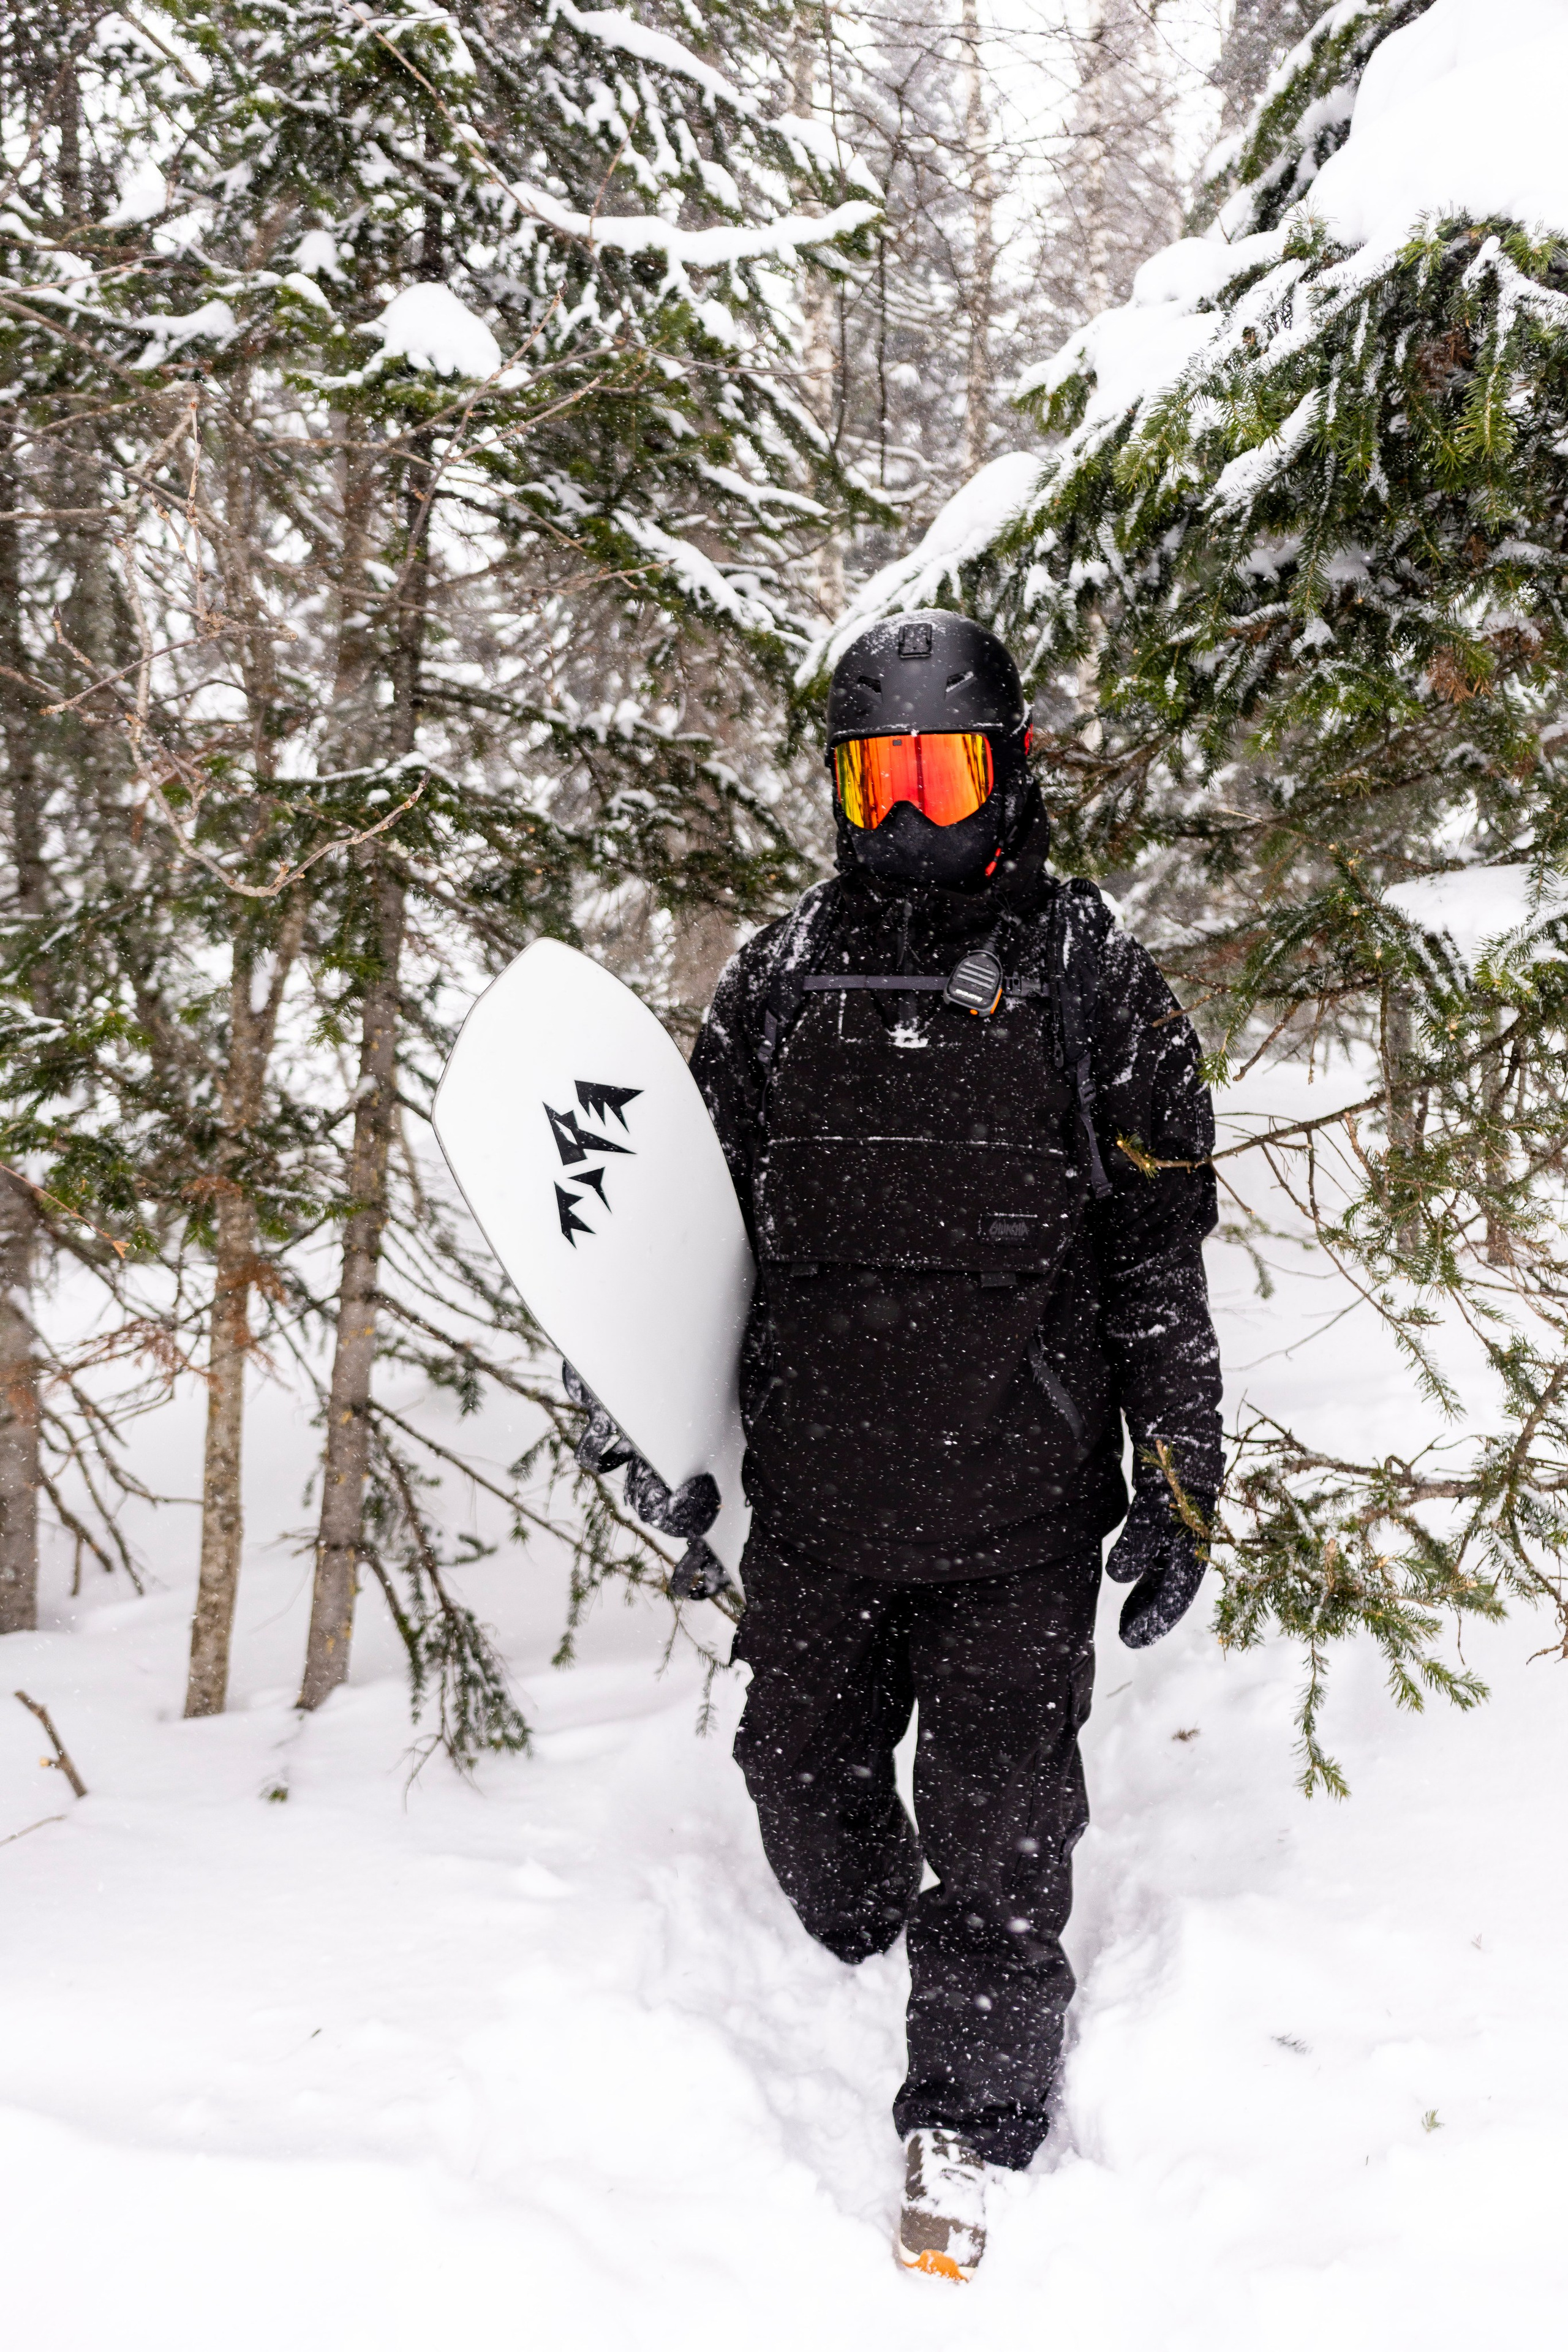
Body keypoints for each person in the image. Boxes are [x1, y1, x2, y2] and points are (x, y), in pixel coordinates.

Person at [575, 612, 1221, 2282]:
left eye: (948, 773)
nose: (919, 816)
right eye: (888, 779)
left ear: (1010, 770)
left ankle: (973, 2123)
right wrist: (638, 1419)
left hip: (1017, 1506)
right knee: (794, 1783)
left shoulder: (1095, 981)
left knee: (1004, 1837)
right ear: (847, 790)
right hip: (821, 1501)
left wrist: (1177, 1476)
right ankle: (865, 1938)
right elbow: (671, 1238)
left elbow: (1155, 1257)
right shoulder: (783, 975)